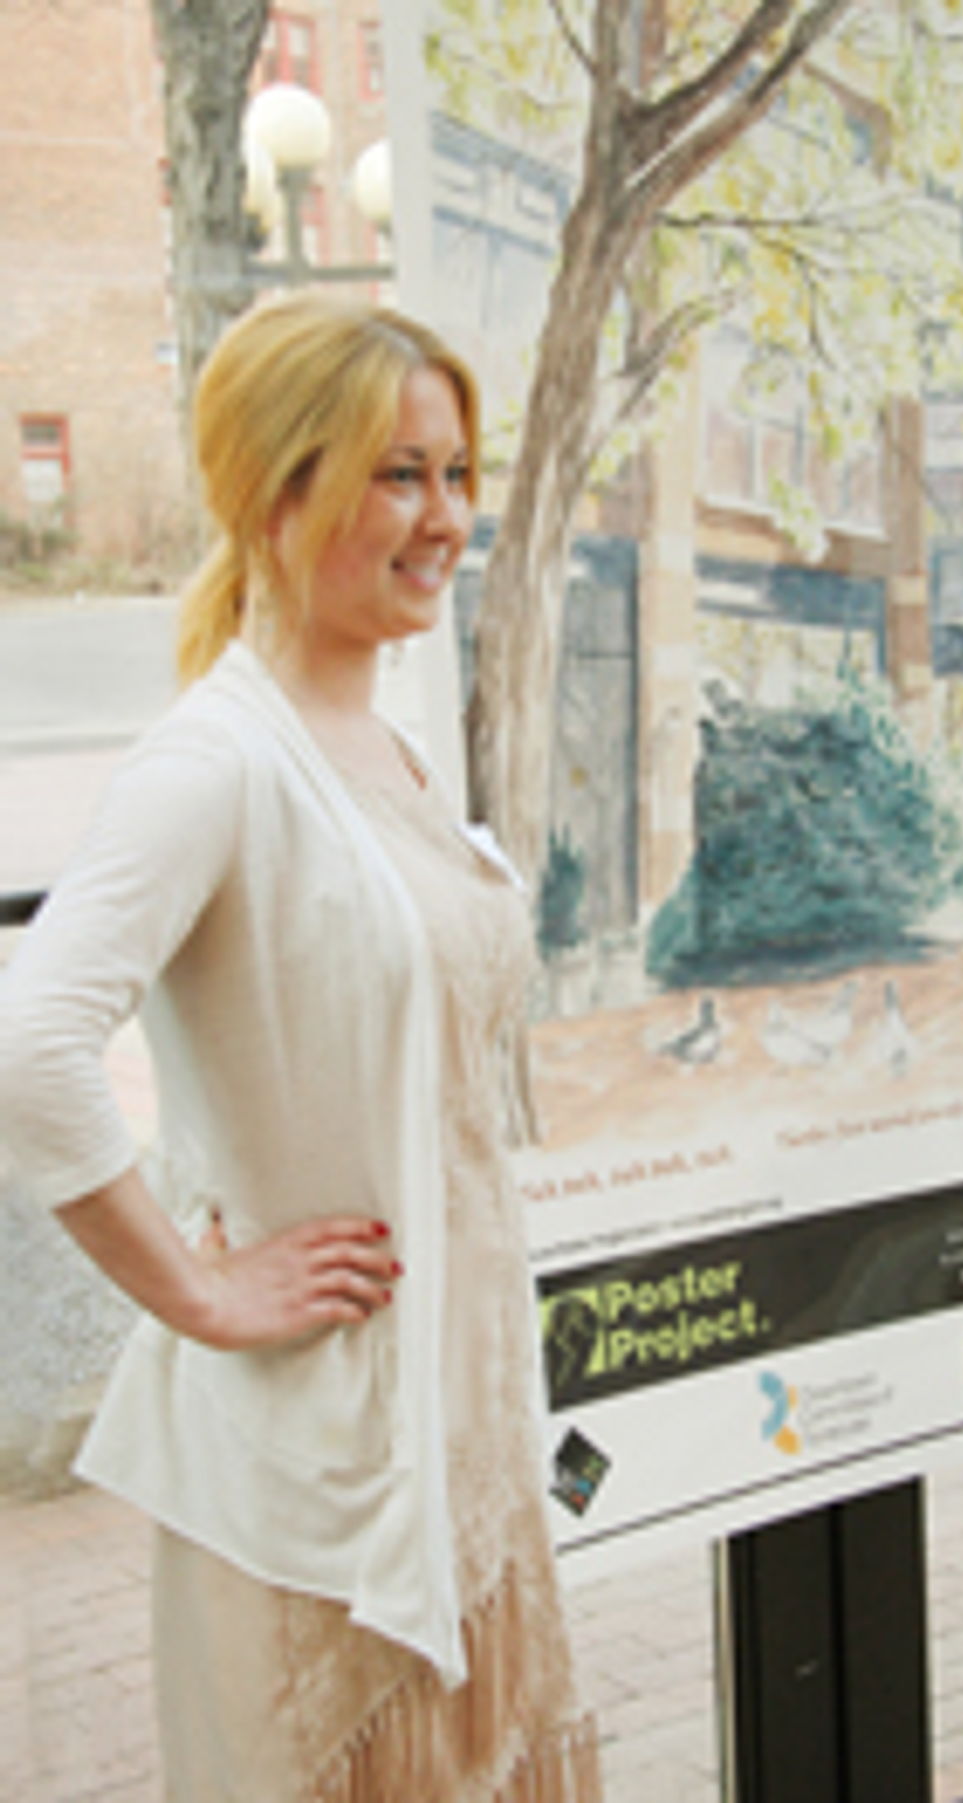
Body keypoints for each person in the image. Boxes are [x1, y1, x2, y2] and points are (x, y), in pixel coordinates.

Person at [0, 290, 602, 1801]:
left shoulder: (390, 750)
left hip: (458, 1450)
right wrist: (200, 1287)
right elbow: (31, 1041)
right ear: (277, 492)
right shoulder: (217, 761)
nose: (445, 517)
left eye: (455, 473)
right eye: (398, 474)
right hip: (318, 1495)